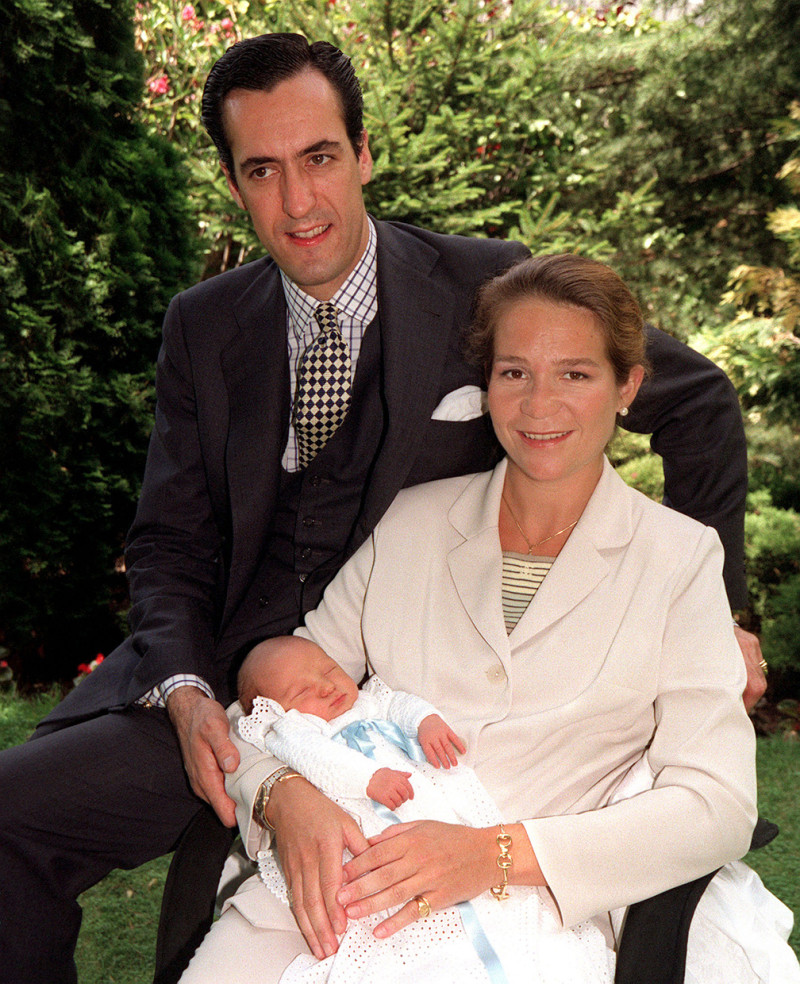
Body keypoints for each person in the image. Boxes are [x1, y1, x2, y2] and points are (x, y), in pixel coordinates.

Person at [0, 33, 764, 984]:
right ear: (235, 184)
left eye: (320, 158)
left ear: (363, 156)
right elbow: (168, 540)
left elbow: (690, 402)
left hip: (400, 709)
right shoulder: (201, 325)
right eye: (263, 170)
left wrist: (716, 614)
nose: (299, 200)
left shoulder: (485, 287)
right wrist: (192, 693)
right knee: (10, 821)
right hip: (237, 685)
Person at [180, 254, 796, 984]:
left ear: (627, 386)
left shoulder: (681, 559)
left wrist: (493, 855)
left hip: (528, 920)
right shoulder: (411, 523)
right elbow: (268, 697)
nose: (539, 405)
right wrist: (282, 797)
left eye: (575, 373)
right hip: (334, 889)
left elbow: (717, 804)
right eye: (514, 372)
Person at [225, 634, 616, 984]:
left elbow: (400, 704)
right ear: (275, 711)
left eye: (329, 670)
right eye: (303, 690)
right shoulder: (296, 730)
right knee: (407, 921)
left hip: (433, 817)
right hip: (370, 834)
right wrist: (368, 779)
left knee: (492, 900)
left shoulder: (368, 701)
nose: (327, 686)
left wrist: (427, 722)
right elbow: (315, 758)